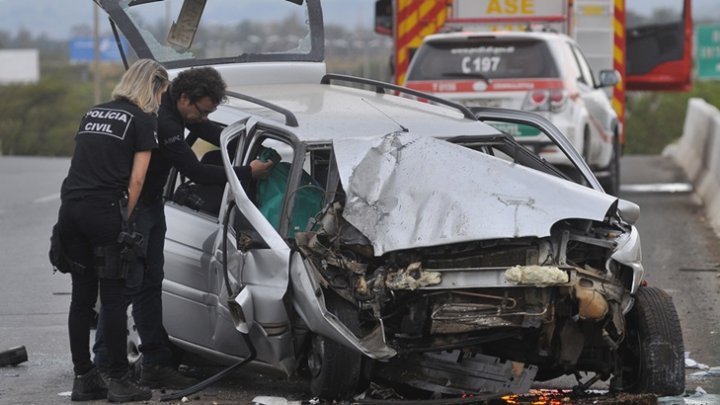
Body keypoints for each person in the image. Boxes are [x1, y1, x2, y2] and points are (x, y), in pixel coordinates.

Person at [93, 66, 273, 389]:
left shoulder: (179, 111)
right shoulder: (163, 122)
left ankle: (155, 364)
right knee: (123, 287)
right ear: (184, 98)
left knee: (150, 285)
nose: (201, 118)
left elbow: (210, 130)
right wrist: (247, 172)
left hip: (152, 208)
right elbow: (196, 171)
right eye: (201, 110)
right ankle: (105, 365)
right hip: (133, 211)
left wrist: (243, 137)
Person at [56, 59, 169, 402]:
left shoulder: (94, 113)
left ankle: (83, 378)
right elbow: (137, 180)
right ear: (152, 87)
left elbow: (81, 163)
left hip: (71, 211)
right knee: (115, 298)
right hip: (104, 213)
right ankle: (119, 380)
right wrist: (125, 221)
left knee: (81, 299)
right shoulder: (143, 120)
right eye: (161, 92)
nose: (162, 99)